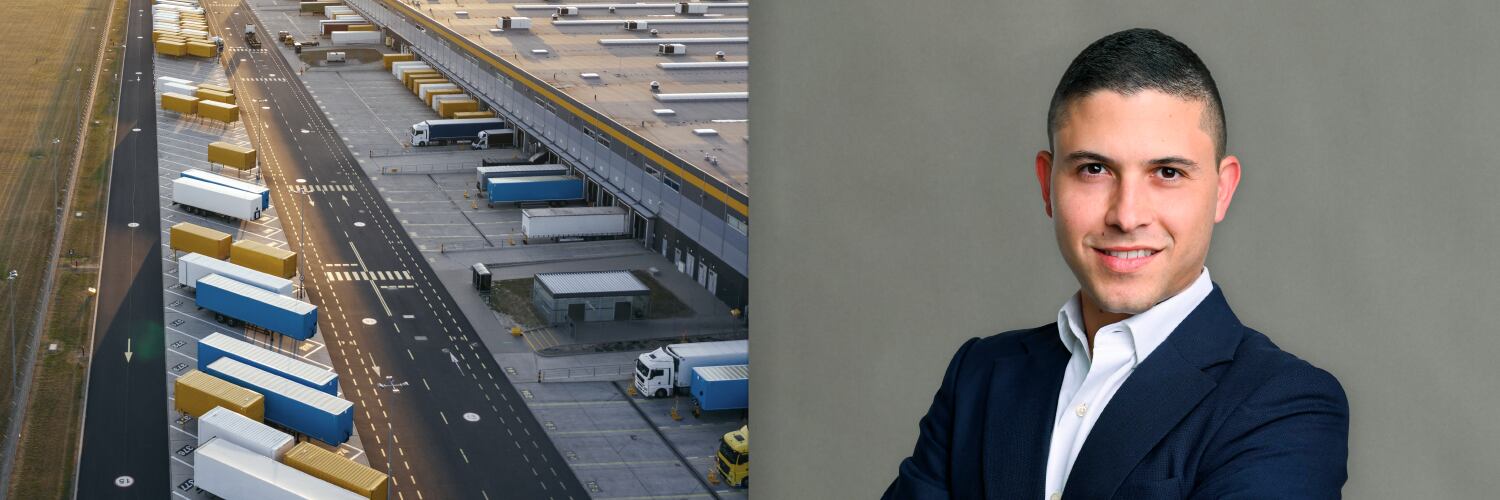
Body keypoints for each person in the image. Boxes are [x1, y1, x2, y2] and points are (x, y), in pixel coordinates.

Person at [883, 28, 1349, 499]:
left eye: (1167, 173)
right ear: (1047, 184)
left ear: (1222, 190)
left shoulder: (1285, 404)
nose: (1126, 215)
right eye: (1094, 169)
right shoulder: (979, 376)